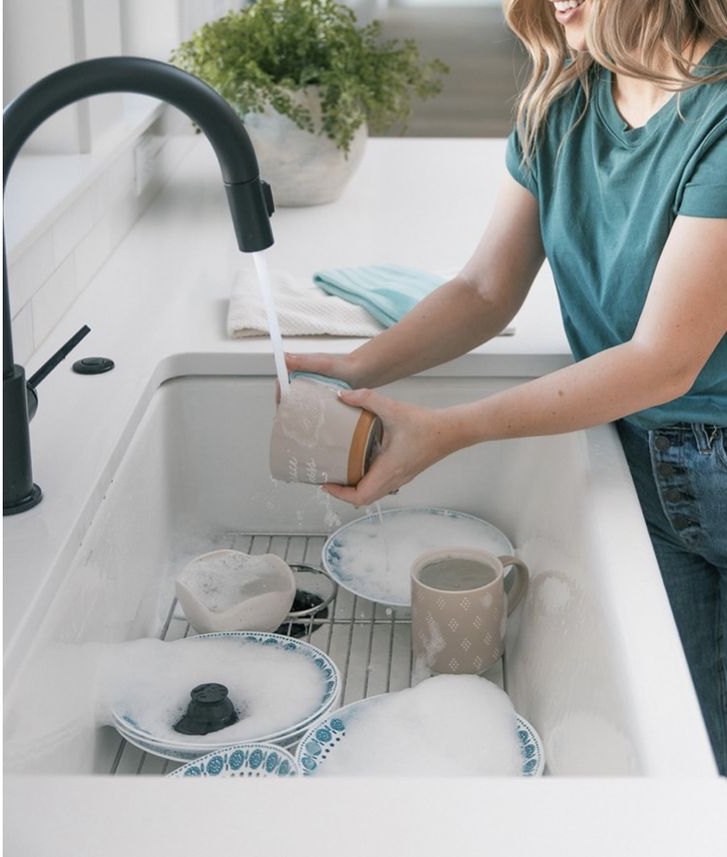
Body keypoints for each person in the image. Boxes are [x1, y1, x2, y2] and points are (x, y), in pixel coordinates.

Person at [286, 0, 727, 774]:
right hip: (636, 454)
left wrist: (449, 429)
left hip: (711, 454)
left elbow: (664, 359)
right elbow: (487, 289)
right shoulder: (563, 99)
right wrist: (358, 365)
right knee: (693, 743)